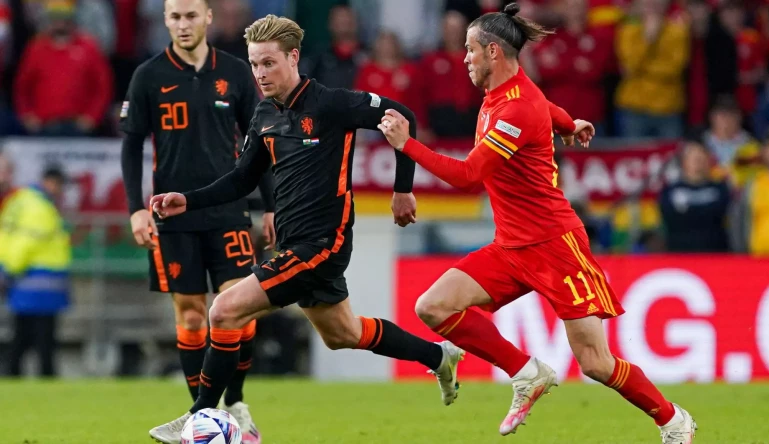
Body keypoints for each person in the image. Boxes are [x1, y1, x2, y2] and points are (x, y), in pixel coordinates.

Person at [376, 4, 698, 443]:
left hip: (555, 246)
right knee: (432, 306)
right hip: (511, 246)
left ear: (493, 51)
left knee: (596, 363)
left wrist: (406, 144)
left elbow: (469, 177)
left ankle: (673, 421)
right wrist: (570, 123)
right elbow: (544, 106)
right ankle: (526, 372)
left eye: (470, 50)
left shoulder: (515, 110)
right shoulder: (511, 93)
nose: (464, 58)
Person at [146, 14, 465, 443]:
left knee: (223, 309)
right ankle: (439, 356)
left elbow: (401, 113)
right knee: (343, 334)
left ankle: (198, 416)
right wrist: (188, 200)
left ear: (293, 57)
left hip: (323, 244)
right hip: (296, 242)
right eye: (255, 65)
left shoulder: (331, 103)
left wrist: (402, 190)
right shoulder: (263, 114)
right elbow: (242, 180)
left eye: (269, 63)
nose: (260, 74)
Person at [119, 0, 269, 441]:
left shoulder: (237, 72)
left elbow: (262, 142)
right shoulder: (149, 75)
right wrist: (136, 207)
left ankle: (236, 401)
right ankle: (203, 415)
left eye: (190, 16)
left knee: (238, 310)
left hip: (228, 212)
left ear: (208, 17)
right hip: (171, 217)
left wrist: (274, 205)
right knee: (190, 317)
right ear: (165, 21)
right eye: (174, 17)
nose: (183, 25)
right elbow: (131, 147)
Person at [0, 165, 70, 377]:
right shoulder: (39, 207)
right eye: (60, 186)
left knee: (21, 333)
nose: (60, 191)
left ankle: (12, 375)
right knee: (43, 337)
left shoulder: (18, 201)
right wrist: (11, 270)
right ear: (51, 182)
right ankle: (44, 376)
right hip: (39, 280)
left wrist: (7, 270)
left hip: (22, 277)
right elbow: (28, 241)